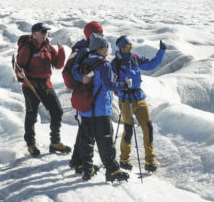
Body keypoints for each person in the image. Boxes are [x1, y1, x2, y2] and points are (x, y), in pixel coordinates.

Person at [72, 33, 130, 183]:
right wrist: (124, 84)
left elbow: (76, 74)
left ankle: (87, 169)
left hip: (85, 110)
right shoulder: (104, 64)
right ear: (99, 48)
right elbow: (109, 86)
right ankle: (112, 170)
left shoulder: (85, 62)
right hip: (100, 109)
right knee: (105, 142)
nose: (107, 49)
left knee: (87, 141)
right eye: (106, 46)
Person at [111, 35, 166, 172]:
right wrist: (122, 85)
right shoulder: (115, 63)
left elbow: (152, 64)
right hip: (125, 99)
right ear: (121, 47)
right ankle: (124, 159)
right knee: (128, 130)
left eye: (130, 46)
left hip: (139, 97)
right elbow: (111, 82)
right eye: (126, 46)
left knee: (148, 128)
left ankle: (150, 161)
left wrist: (161, 51)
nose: (129, 48)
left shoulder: (135, 58)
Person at [15, 22, 71, 156]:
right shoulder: (27, 47)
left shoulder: (48, 47)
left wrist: (62, 50)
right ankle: (31, 144)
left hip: (46, 85)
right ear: (34, 34)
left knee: (57, 111)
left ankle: (55, 142)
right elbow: (19, 65)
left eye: (46, 31)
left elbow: (58, 65)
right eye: (43, 31)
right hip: (30, 86)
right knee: (31, 115)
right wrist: (19, 73)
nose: (46, 34)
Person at [68, 21, 103, 174]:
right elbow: (75, 70)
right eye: (99, 32)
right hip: (86, 93)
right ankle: (82, 164)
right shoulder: (84, 50)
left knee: (84, 130)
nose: (102, 35)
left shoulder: (89, 47)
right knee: (87, 131)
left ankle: (77, 161)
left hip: (90, 93)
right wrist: (82, 78)